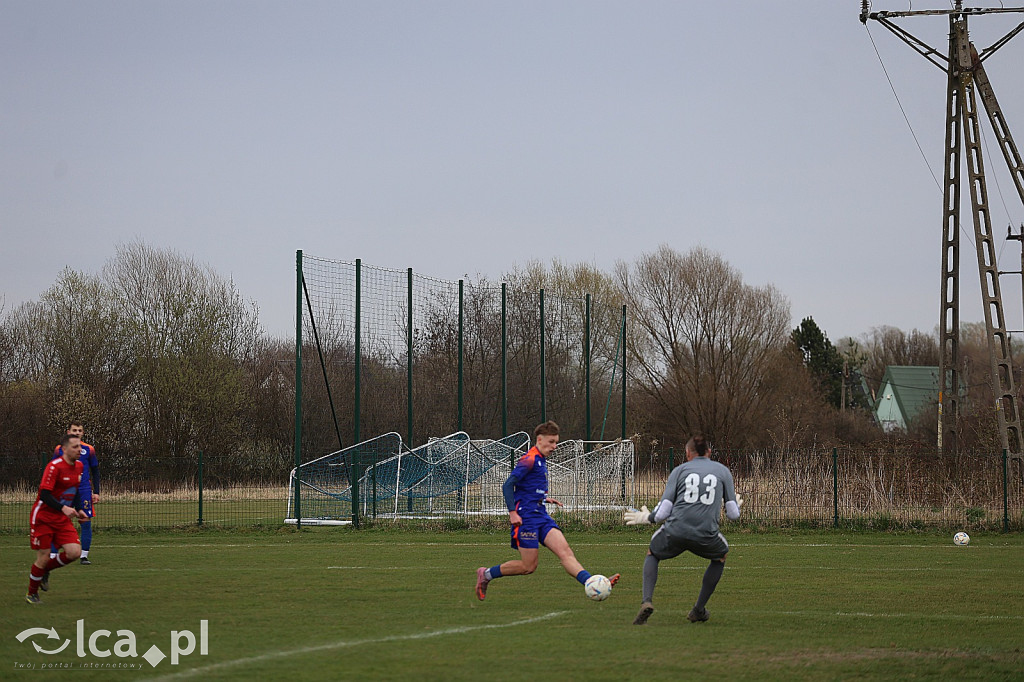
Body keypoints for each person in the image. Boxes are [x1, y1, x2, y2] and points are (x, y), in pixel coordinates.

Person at [475, 420, 619, 600]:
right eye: (551, 442)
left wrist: (543, 498)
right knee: (528, 567)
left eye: (556, 442)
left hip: (541, 515)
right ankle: (486, 574)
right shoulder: (529, 459)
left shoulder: (541, 460)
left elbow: (528, 487)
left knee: (565, 552)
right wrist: (512, 512)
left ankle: (592, 583)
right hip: (525, 518)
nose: (554, 446)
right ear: (539, 439)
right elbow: (508, 485)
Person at [624, 434, 742, 625]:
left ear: (687, 453)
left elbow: (663, 512)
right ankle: (698, 610)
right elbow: (733, 515)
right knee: (720, 556)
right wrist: (736, 506)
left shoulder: (679, 471)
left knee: (653, 553)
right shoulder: (722, 471)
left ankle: (646, 601)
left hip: (676, 530)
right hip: (706, 534)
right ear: (709, 452)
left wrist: (646, 517)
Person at [27, 433, 89, 603]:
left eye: (80, 446)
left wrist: (79, 509)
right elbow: (44, 495)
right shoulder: (54, 467)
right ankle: (31, 594)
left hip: (61, 518)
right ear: (64, 449)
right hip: (43, 517)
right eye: (75, 447)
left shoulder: (79, 466)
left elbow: (75, 491)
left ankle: (45, 570)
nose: (79, 449)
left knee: (74, 552)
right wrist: (63, 508)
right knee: (44, 556)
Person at [51, 421, 100, 564]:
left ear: (83, 433)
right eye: (74, 430)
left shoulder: (89, 449)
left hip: (83, 489)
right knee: (58, 520)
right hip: (64, 490)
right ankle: (53, 555)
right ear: (68, 432)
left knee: (85, 520)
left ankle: (84, 556)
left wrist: (96, 492)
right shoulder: (59, 449)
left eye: (79, 430)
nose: (77, 433)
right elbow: (53, 468)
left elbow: (95, 471)